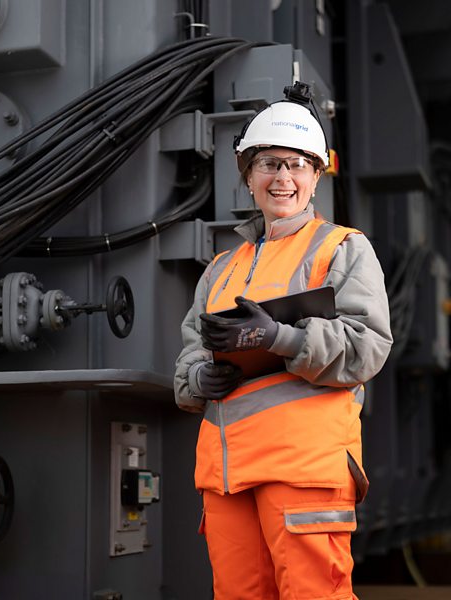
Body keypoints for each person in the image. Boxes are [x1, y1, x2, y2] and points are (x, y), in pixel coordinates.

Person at [174, 81, 393, 600]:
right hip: (227, 475)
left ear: (316, 177)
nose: (282, 177)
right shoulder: (221, 269)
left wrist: (283, 338)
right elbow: (189, 353)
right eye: (269, 164)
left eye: (297, 165)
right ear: (248, 176)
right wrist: (199, 377)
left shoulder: (342, 249)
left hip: (302, 467)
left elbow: (368, 347)